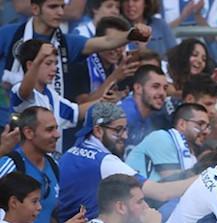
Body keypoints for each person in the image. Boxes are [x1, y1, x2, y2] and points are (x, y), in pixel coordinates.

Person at [0, 0, 152, 125]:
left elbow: (107, 40)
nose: (60, 12)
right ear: (35, 8)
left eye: (62, 6)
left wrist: (131, 34)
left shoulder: (67, 43)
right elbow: (24, 92)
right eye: (53, 7)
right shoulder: (8, 34)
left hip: (48, 124)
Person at [57, 101, 193, 220]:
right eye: (118, 130)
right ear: (98, 131)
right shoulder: (105, 162)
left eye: (125, 129)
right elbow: (162, 193)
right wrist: (204, 177)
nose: (125, 136)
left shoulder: (73, 150)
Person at [10, 40, 87, 150]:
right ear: (30, 65)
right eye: (48, 63)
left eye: (55, 63)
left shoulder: (51, 94)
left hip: (46, 161)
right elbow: (24, 92)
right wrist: (39, 58)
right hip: (24, 161)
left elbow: (76, 112)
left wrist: (107, 94)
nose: (54, 68)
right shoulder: (19, 90)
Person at [0, 106, 61, 223]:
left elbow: (49, 214)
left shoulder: (54, 166)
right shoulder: (11, 164)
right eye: (49, 130)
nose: (57, 134)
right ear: (29, 133)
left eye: (56, 128)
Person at [65, 15, 139, 107]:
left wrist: (121, 96)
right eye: (113, 43)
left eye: (121, 44)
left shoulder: (123, 66)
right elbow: (82, 105)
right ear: (100, 41)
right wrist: (114, 77)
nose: (117, 49)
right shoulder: (82, 63)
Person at [126, 102, 209, 182]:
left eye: (208, 126)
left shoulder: (192, 157)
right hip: (127, 193)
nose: (206, 131)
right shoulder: (162, 138)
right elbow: (174, 181)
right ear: (182, 124)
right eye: (200, 124)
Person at [119, 64, 168, 154]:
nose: (162, 93)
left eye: (165, 88)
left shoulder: (149, 119)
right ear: (138, 88)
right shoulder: (123, 115)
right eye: (155, 86)